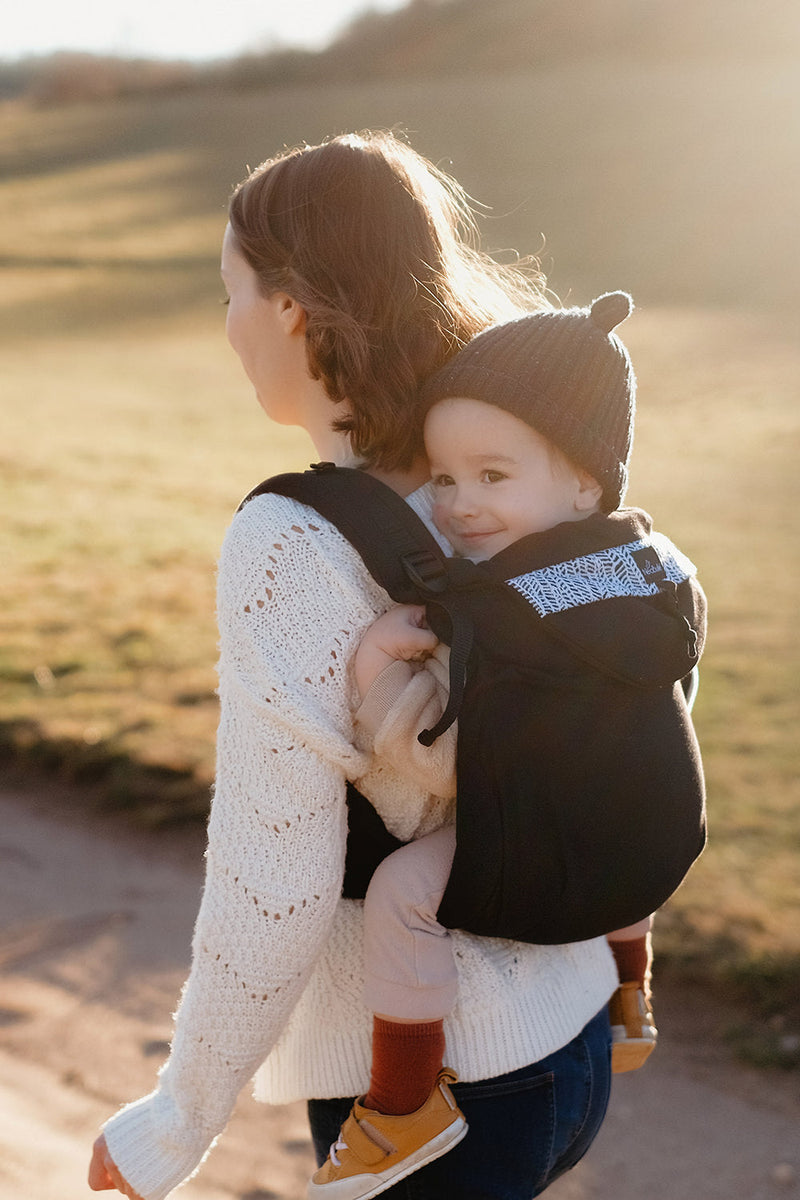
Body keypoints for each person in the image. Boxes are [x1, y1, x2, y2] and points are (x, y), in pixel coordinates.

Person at [88, 130, 619, 1200]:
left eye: (230, 292)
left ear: (288, 308)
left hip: (426, 1097)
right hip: (573, 1039)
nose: (230, 328)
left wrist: (176, 1120)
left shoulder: (290, 544)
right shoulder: (513, 469)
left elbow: (272, 885)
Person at [310, 292, 705, 1195]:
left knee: (404, 893)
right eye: (444, 478)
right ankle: (629, 992)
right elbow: (682, 673)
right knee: (631, 808)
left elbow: (445, 756)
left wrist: (378, 678)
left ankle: (405, 1103)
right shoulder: (647, 562)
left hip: (548, 837)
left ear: (584, 482)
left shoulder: (500, 611)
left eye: (493, 476)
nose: (457, 505)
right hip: (651, 831)